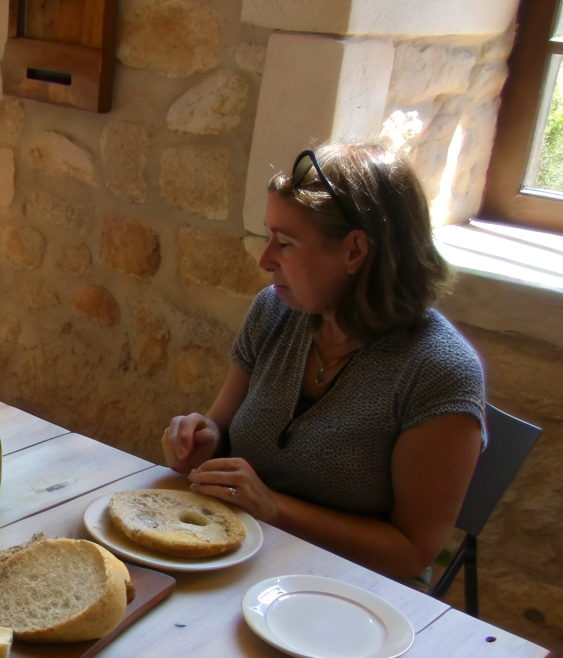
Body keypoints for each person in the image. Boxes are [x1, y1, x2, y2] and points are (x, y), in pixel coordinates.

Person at [162, 144, 485, 582]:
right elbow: (220, 430)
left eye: (287, 243)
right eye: (269, 236)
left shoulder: (436, 371)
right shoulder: (274, 312)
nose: (265, 260)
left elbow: (410, 553)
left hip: (350, 595)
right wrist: (201, 439)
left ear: (354, 251)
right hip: (241, 558)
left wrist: (275, 509)